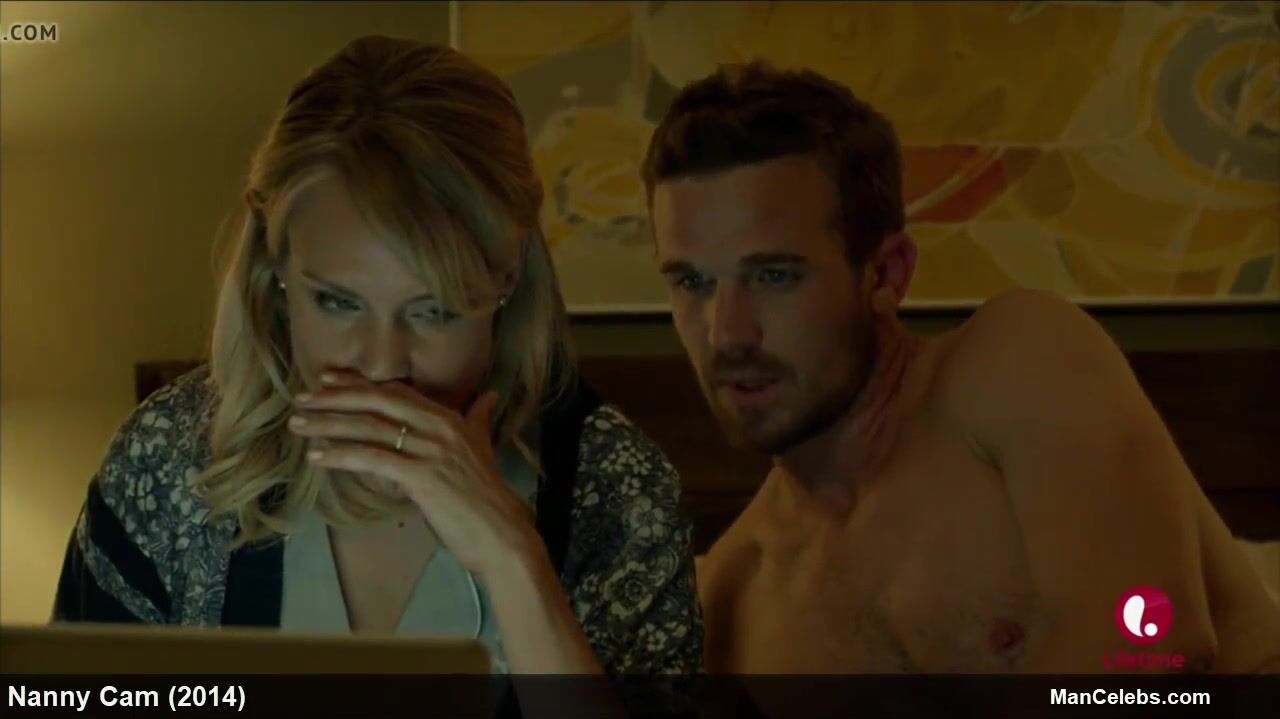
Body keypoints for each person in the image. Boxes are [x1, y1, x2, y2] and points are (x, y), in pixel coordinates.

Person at [53, 36, 702, 678]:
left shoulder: (616, 491)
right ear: (276, 270)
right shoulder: (169, 457)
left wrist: (511, 556)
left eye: (434, 311)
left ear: (508, 273)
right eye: (338, 303)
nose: (384, 364)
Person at [642, 60, 1280, 674]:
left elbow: (1151, 656)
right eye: (692, 282)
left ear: (886, 274)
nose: (726, 333)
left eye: (774, 276)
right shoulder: (735, 600)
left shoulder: (1016, 366)